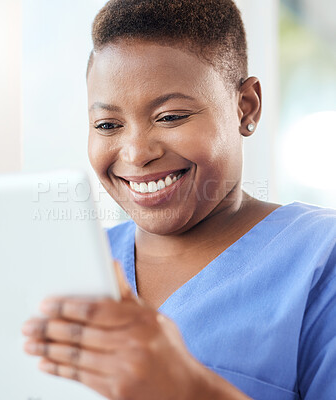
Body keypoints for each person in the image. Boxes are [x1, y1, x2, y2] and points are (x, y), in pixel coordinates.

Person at [21, 0, 336, 399]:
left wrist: (190, 388)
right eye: (107, 125)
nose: (136, 153)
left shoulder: (320, 256)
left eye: (170, 116)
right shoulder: (73, 264)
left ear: (246, 107)